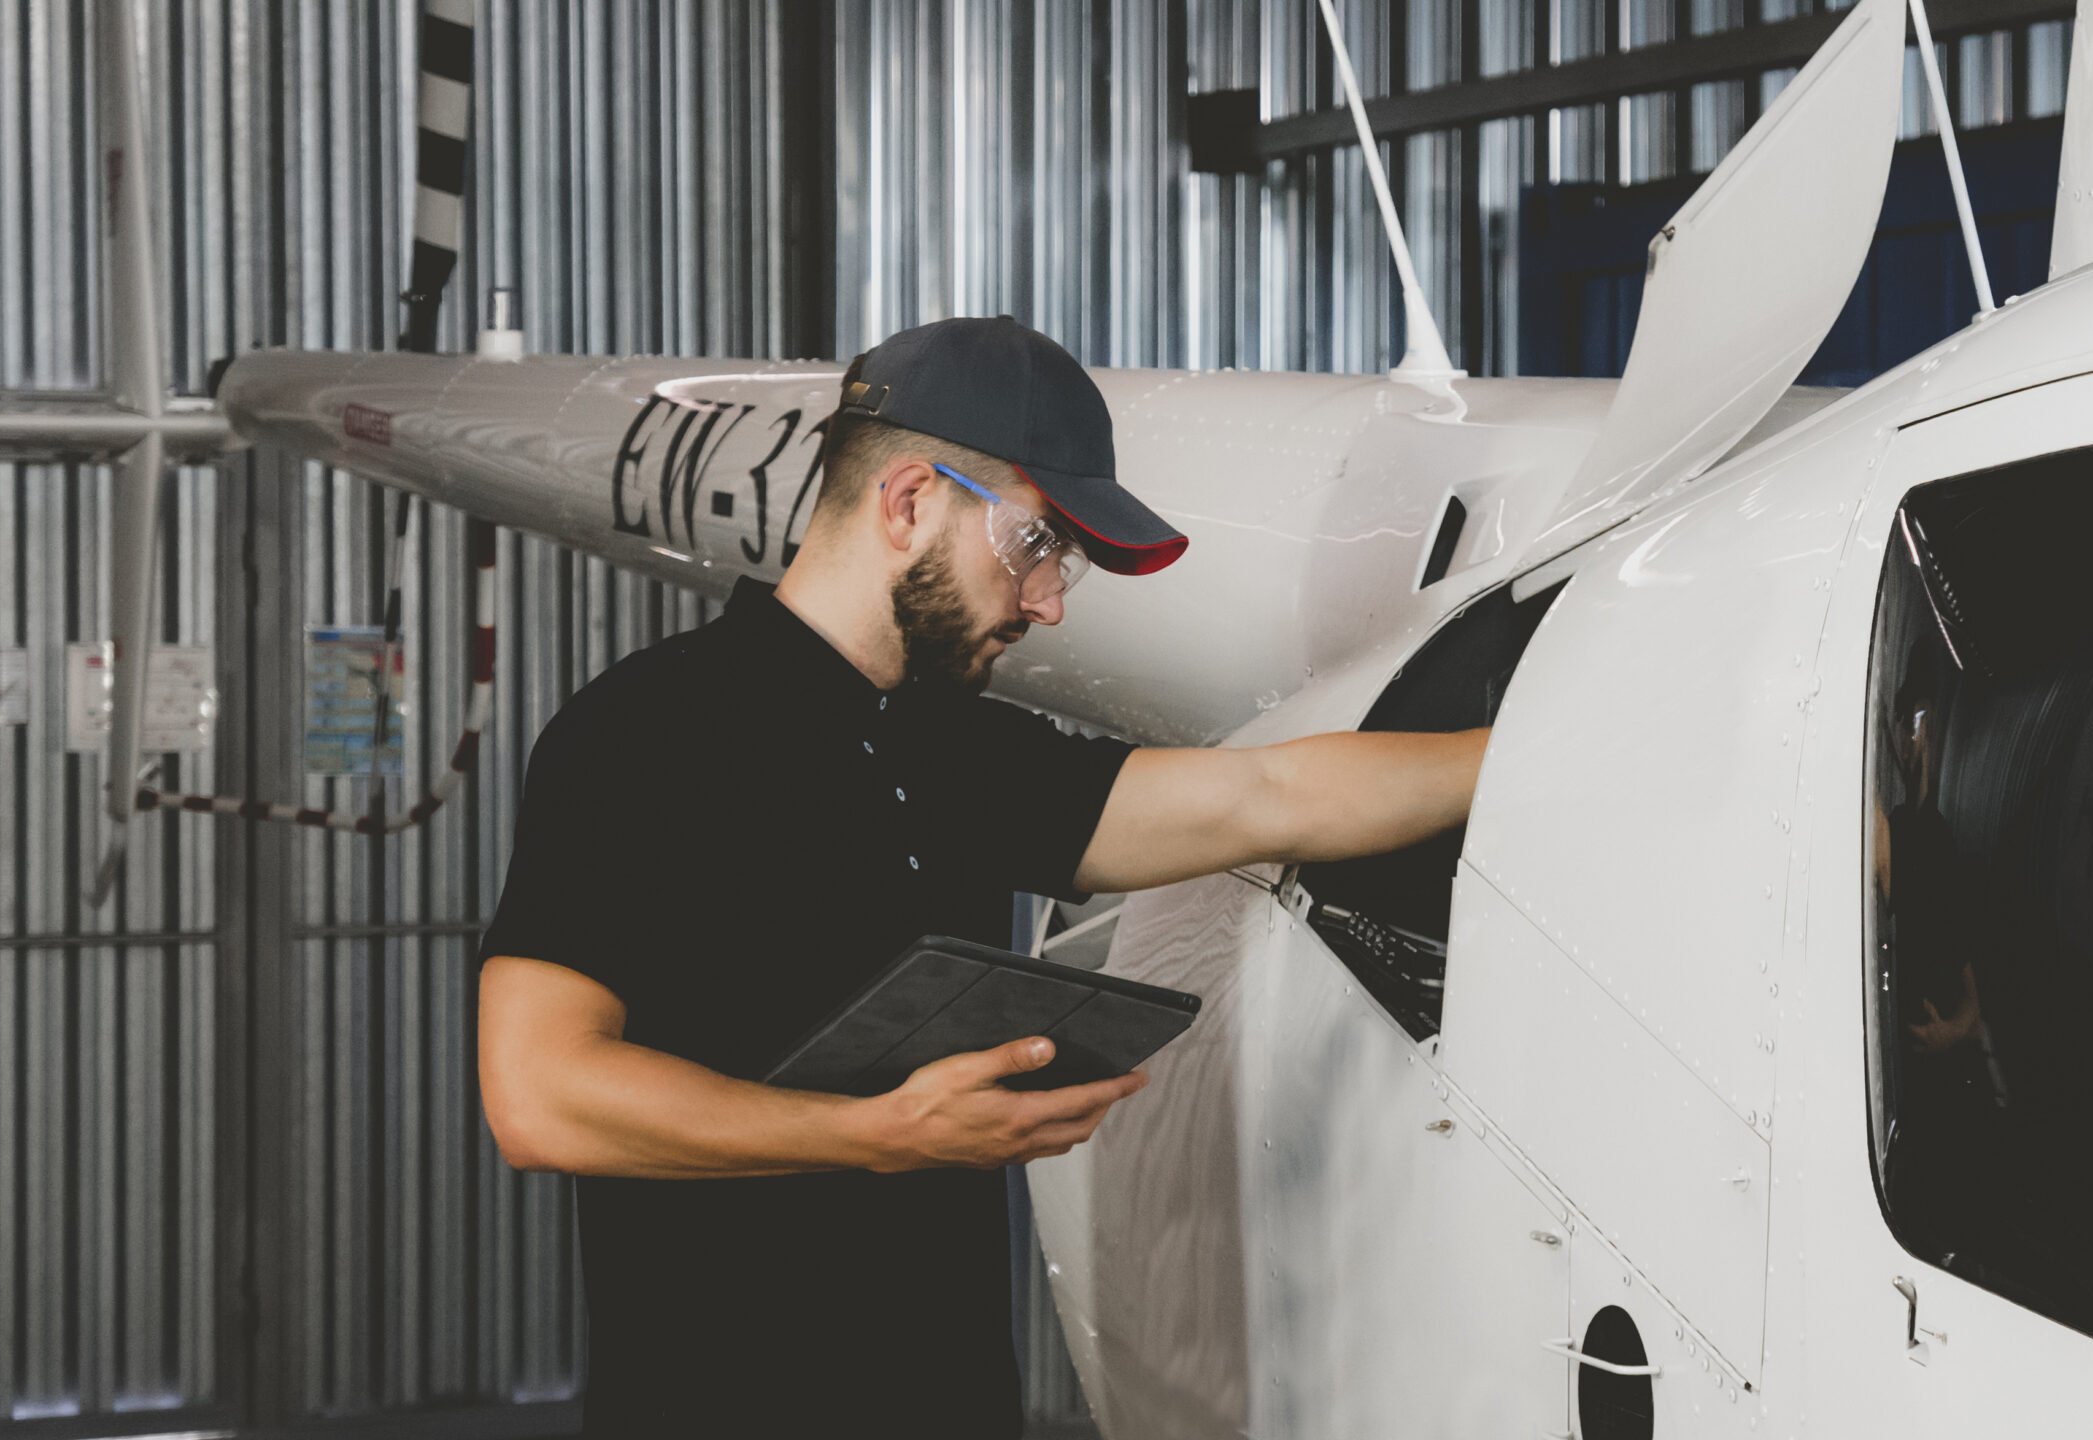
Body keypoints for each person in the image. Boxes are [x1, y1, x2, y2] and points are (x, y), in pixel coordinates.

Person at [474, 315, 1489, 1437]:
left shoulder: (947, 745)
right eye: (1037, 545)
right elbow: (541, 1095)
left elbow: (1267, 799)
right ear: (909, 501)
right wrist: (873, 1133)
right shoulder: (646, 735)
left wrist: (1555, 739)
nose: (1049, 600)